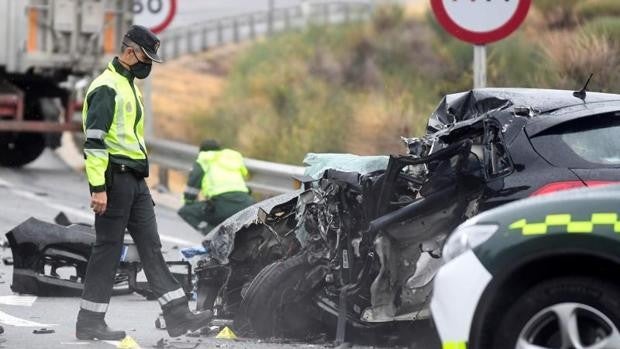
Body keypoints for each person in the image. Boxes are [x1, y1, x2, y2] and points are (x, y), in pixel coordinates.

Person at [78, 25, 212, 340]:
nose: (147, 64)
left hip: (136, 181)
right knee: (108, 250)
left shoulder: (129, 86)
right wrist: (97, 188)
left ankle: (178, 316)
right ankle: (89, 321)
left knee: (151, 246)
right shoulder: (106, 87)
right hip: (115, 179)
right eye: (146, 57)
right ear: (130, 52)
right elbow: (95, 142)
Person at [178, 140, 256, 234]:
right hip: (247, 203)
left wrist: (188, 202)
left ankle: (213, 234)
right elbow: (245, 175)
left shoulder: (204, 159)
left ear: (201, 151)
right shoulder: (231, 159)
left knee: (185, 212)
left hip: (221, 205)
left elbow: (192, 187)